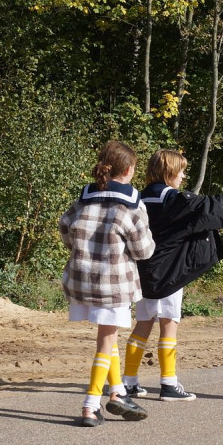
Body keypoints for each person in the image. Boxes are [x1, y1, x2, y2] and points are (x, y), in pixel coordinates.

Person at [121, 149, 223, 401]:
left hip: (143, 271)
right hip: (170, 271)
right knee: (169, 324)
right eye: (180, 171)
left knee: (143, 324)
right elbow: (210, 211)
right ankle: (169, 384)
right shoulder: (172, 199)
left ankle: (129, 381)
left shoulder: (141, 196)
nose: (183, 176)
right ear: (169, 172)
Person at [59, 141, 156, 427]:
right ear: (129, 170)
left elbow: (65, 228)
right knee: (105, 341)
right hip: (111, 284)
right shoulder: (132, 203)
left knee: (108, 336)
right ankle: (91, 405)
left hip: (79, 279)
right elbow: (143, 251)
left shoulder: (85, 197)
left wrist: (81, 250)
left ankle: (117, 393)